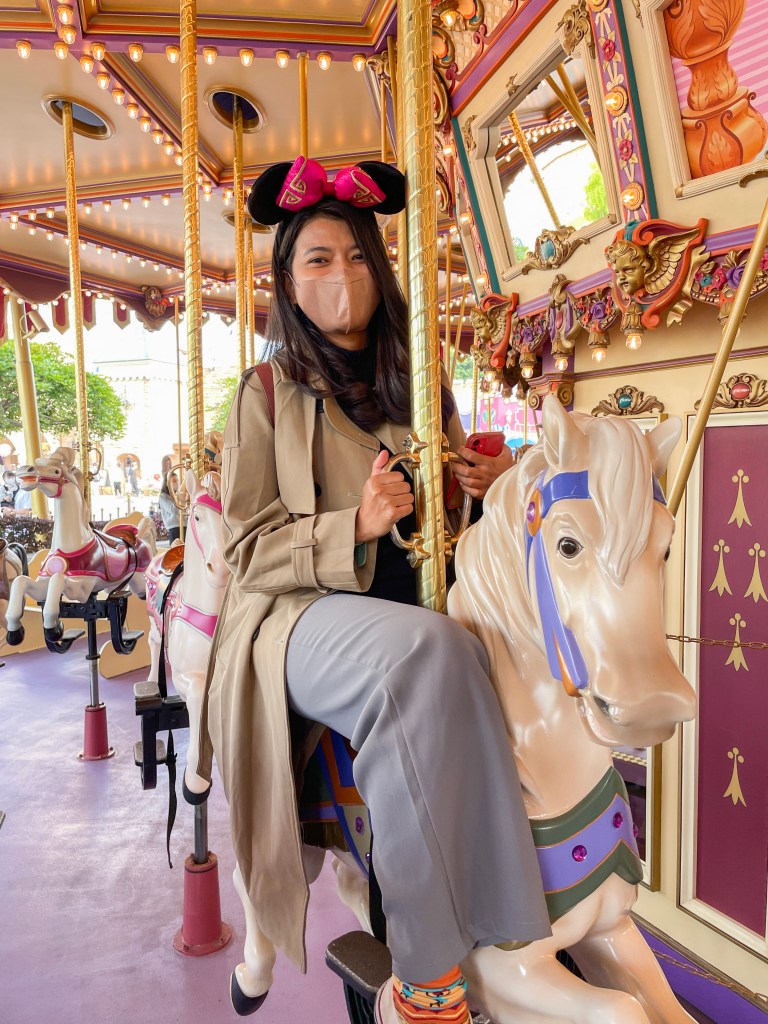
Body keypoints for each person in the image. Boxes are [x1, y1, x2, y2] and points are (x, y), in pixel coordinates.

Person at [197, 156, 550, 1024]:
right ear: (288, 280)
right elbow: (245, 550)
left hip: (421, 594)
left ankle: (523, 924)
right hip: (299, 614)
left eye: (358, 256)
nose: (343, 275)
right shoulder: (266, 393)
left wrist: (480, 486)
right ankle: (424, 977)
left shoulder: (418, 378)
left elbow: (452, 517)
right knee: (425, 654)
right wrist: (348, 526)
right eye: (318, 258)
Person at [158, 471, 184, 543]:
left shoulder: (180, 494)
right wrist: (178, 496)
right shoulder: (163, 497)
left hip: (184, 524)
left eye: (177, 480)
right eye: (174, 481)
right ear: (167, 483)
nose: (177, 483)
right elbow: (173, 510)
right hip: (174, 526)